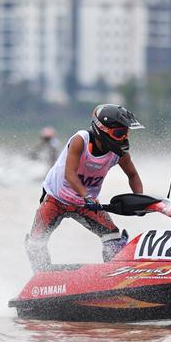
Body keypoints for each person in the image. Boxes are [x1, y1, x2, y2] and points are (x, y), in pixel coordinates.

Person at [25, 104, 145, 271]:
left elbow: (133, 175)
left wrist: (140, 199)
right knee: (36, 243)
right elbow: (70, 175)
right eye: (119, 133)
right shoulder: (80, 140)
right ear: (101, 130)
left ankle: (114, 275)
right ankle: (40, 278)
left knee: (113, 237)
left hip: (85, 204)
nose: (124, 138)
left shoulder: (119, 152)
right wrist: (87, 196)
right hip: (56, 198)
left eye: (126, 133)